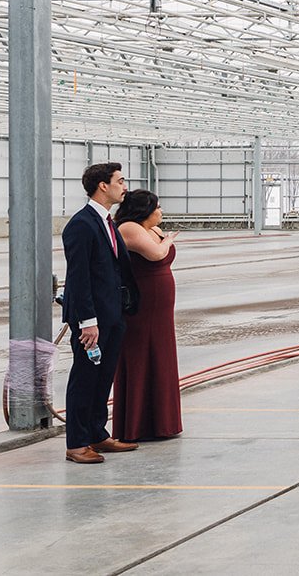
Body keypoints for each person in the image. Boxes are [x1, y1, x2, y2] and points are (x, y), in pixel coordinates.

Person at [60, 161, 138, 464]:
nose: (124, 186)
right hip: (92, 319)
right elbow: (79, 278)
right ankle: (77, 443)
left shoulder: (107, 223)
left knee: (103, 376)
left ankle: (96, 432)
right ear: (102, 186)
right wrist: (87, 322)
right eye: (120, 181)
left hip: (113, 314)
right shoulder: (81, 225)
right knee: (84, 377)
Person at [112, 189, 182, 443]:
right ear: (145, 211)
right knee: (142, 354)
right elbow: (156, 254)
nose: (161, 212)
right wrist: (167, 242)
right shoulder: (129, 227)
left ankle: (162, 421)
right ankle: (139, 423)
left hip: (159, 304)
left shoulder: (149, 229)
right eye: (157, 207)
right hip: (144, 303)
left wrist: (163, 240)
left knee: (161, 355)